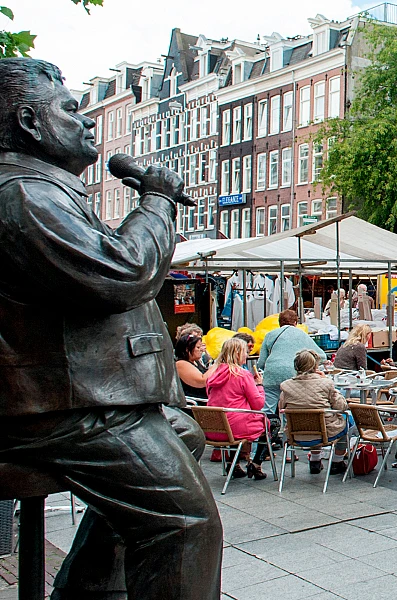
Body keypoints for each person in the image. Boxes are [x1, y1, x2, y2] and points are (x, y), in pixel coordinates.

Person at [0, 58, 221, 599]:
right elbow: (125, 273)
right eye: (71, 110)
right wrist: (158, 201)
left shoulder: (43, 192)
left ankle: (89, 590)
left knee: (185, 433)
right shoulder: (26, 195)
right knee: (187, 524)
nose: (87, 122)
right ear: (30, 122)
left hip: (75, 400)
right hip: (63, 411)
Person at [205, 338, 271, 480]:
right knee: (272, 422)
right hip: (235, 427)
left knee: (237, 420)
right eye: (245, 352)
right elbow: (258, 404)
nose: (246, 355)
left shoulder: (213, 373)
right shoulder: (242, 374)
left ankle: (233, 464)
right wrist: (259, 385)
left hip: (214, 428)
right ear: (237, 353)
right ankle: (256, 464)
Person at [279, 349, 351, 475]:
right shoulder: (326, 383)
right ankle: (337, 461)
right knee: (347, 420)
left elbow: (281, 406)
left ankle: (315, 460)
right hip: (325, 433)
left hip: (296, 434)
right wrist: (332, 386)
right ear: (315, 366)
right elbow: (341, 406)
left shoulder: (286, 386)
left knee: (311, 421)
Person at [257, 309, 327, 414]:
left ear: (279, 322)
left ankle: (266, 428)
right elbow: (321, 356)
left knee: (268, 408)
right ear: (295, 322)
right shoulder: (302, 334)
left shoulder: (270, 335)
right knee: (289, 407)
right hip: (292, 374)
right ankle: (286, 429)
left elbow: (261, 362)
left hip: (272, 374)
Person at [175, 333, 210, 399]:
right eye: (198, 347)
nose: (201, 350)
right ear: (187, 349)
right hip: (196, 402)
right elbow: (202, 381)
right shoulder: (181, 364)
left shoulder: (196, 361)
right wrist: (218, 364)